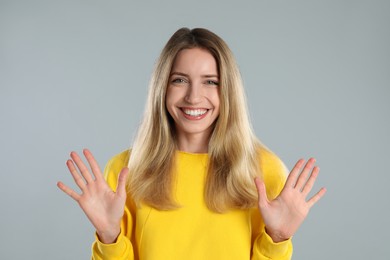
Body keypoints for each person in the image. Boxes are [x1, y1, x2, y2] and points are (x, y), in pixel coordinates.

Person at [57, 27, 326, 260]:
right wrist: (108, 236)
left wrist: (277, 239)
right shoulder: (126, 171)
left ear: (228, 91)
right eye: (180, 80)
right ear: (162, 87)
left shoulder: (264, 170)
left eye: (210, 82)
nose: (194, 97)